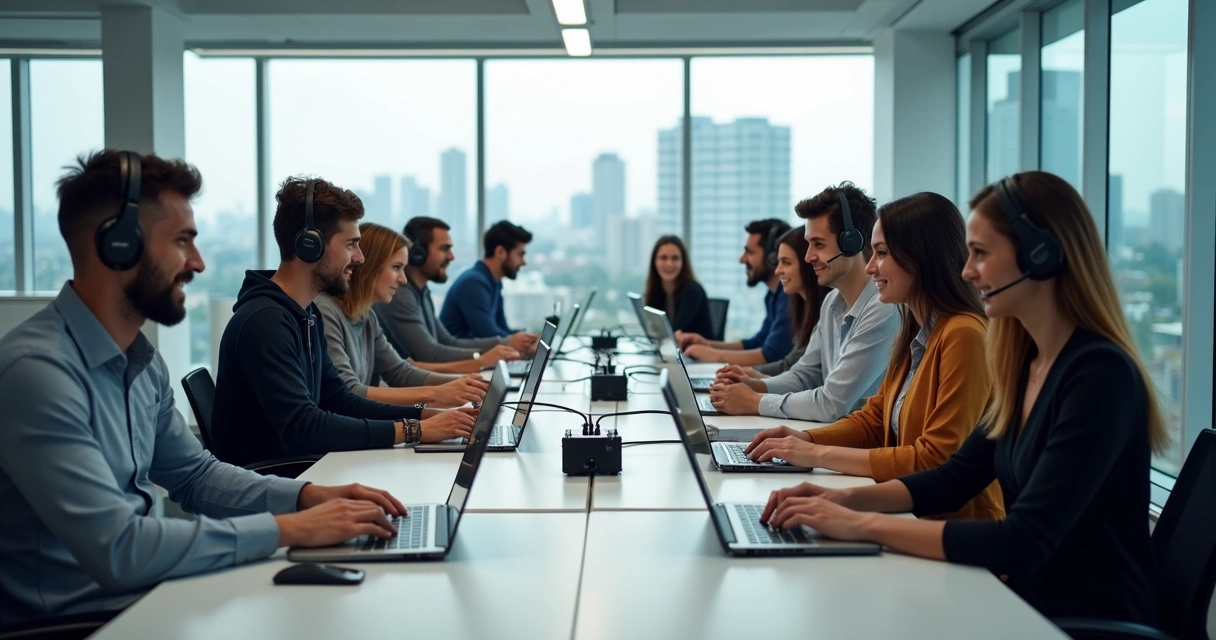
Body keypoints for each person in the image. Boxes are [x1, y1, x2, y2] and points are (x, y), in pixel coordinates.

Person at [0, 151, 410, 626]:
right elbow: (118, 549)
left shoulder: (140, 360)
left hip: (148, 598)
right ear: (117, 245)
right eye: (181, 241)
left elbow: (196, 477)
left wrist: (307, 497)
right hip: (78, 624)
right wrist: (287, 527)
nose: (197, 262)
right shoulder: (38, 374)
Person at [761, 171, 1165, 625]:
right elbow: (956, 475)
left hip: (1078, 620)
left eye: (981, 254)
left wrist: (859, 524)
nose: (968, 270)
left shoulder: (1099, 377)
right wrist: (840, 500)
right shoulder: (1026, 363)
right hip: (1017, 597)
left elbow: (1023, 540)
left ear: (1041, 256)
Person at [743, 193, 1002, 522]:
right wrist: (802, 438)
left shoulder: (964, 335)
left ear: (920, 257)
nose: (869, 266)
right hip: (907, 512)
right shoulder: (913, 328)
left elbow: (935, 459)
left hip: (955, 528)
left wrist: (816, 453)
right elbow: (873, 419)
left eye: (881, 253)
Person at [212, 177, 476, 468]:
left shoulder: (305, 314)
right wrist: (415, 431)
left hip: (311, 468)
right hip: (279, 481)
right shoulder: (266, 323)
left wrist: (426, 416)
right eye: (351, 244)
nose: (360, 258)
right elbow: (304, 426)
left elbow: (340, 399)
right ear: (309, 245)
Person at [709, 183, 900, 422]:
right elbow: (805, 374)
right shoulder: (832, 302)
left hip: (861, 447)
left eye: (818, 244)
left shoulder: (883, 309)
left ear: (851, 243)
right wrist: (756, 386)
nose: (808, 256)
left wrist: (753, 401)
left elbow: (832, 403)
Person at [316, 222, 490, 407]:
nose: (403, 279)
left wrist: (462, 383)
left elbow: (400, 372)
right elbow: (349, 391)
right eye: (396, 268)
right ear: (370, 267)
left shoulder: (366, 316)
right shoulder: (325, 312)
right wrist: (435, 393)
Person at [375, 216, 527, 371]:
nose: (451, 257)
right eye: (444, 249)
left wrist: (499, 349)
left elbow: (447, 341)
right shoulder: (399, 294)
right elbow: (430, 354)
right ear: (417, 252)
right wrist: (482, 359)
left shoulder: (422, 292)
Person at [676, 219, 794, 365]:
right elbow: (758, 342)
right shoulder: (773, 296)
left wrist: (713, 355)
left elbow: (771, 355)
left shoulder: (789, 297)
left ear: (773, 256)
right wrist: (707, 344)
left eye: (749, 252)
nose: (742, 259)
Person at [715, 226, 826, 381]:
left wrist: (749, 376)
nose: (777, 270)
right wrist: (746, 373)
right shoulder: (800, 305)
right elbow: (764, 345)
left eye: (786, 263)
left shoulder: (823, 310)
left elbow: (777, 359)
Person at [438, 220, 540, 350]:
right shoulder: (473, 283)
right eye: (520, 254)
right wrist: (521, 343)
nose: (523, 262)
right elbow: (489, 336)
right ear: (500, 252)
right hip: (461, 362)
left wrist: (528, 339)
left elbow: (502, 330)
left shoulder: (493, 282)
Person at [643, 235, 712, 337]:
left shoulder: (692, 290)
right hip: (670, 351)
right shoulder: (656, 291)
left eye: (675, 258)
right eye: (663, 257)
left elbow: (671, 332)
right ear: (654, 262)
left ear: (683, 262)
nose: (669, 263)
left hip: (697, 351)